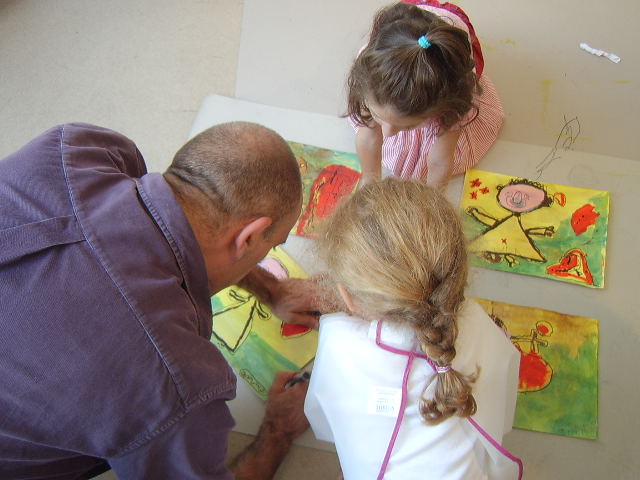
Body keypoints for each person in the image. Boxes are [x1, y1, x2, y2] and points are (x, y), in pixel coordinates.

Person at [0, 122, 316, 480]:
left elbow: (175, 220)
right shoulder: (175, 387)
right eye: (272, 244)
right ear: (250, 237)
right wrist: (278, 430)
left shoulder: (78, 148)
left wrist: (271, 289)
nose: (269, 253)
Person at [304, 178, 523, 479]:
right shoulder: (480, 324)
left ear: (347, 298)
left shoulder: (338, 342)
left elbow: (325, 425)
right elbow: (502, 416)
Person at [347, 1, 505, 189]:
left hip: (445, 51)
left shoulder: (452, 97)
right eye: (377, 115)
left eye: (409, 126)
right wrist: (369, 181)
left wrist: (432, 199)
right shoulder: (368, 77)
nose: (387, 133)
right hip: (403, 34)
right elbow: (368, 137)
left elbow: (440, 161)